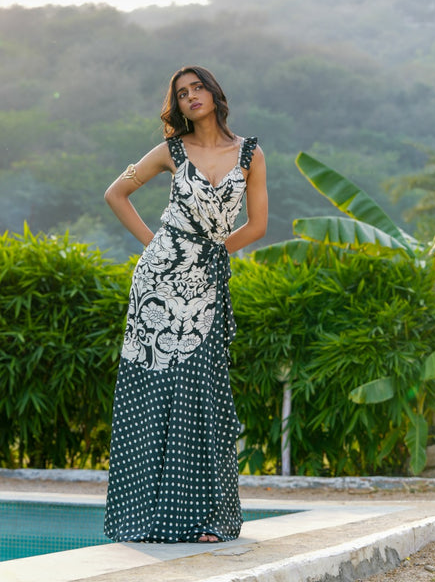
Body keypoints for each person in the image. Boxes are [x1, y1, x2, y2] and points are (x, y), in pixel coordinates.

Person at [103, 65, 268, 544]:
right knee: (151, 393)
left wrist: (211, 254)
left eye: (198, 88)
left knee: (201, 393)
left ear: (214, 94)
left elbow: (258, 225)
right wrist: (157, 246)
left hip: (207, 284)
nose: (191, 96)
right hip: (157, 284)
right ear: (176, 105)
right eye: (182, 93)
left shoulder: (250, 154)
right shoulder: (170, 151)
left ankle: (210, 518)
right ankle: (146, 517)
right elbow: (116, 193)